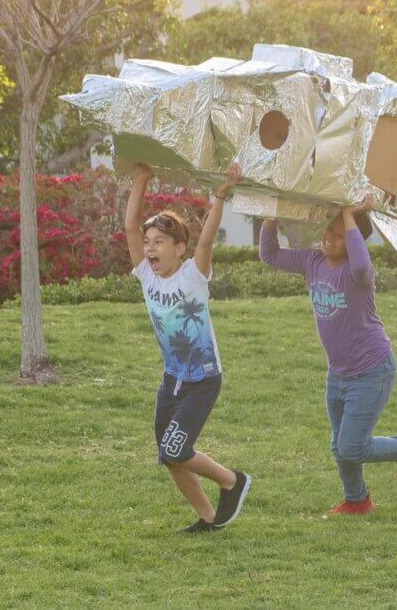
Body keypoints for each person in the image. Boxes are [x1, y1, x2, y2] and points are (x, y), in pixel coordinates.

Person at [259, 195, 397, 515]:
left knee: (351, 446)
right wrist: (272, 216)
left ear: (354, 240)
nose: (330, 236)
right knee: (339, 446)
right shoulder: (312, 262)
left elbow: (363, 265)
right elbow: (269, 254)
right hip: (338, 373)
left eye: (340, 234)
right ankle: (357, 500)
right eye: (329, 229)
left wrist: (350, 215)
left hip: (372, 370)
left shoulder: (358, 274)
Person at [124, 163, 251, 533]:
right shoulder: (146, 276)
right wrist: (141, 180)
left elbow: (207, 241)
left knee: (178, 449)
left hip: (203, 380)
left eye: (159, 242)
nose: (150, 248)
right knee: (169, 455)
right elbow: (131, 226)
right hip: (172, 380)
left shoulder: (193, 276)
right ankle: (209, 518)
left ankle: (232, 480)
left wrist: (222, 194)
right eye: (148, 243)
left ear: (179, 248)